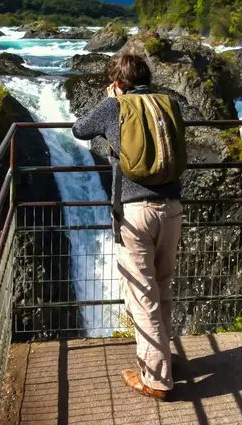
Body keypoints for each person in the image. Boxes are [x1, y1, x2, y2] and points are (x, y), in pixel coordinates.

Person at [72, 53, 182, 401]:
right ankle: (161, 358)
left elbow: (79, 128)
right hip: (173, 208)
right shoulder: (171, 103)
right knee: (161, 287)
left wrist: (111, 98)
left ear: (118, 82)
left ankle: (157, 379)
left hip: (134, 214)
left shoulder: (115, 106)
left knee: (141, 295)